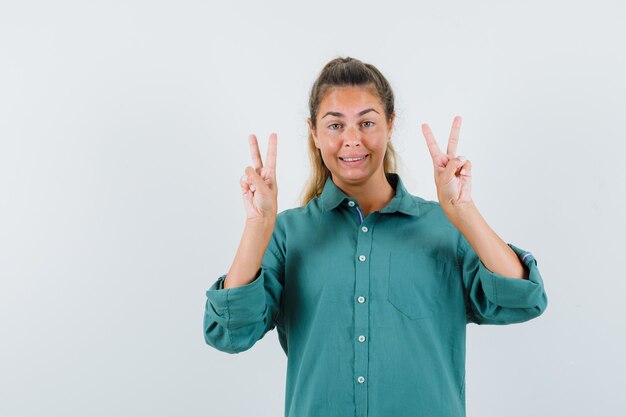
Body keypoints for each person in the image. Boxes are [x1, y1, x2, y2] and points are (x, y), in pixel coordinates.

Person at [203, 57, 548, 417]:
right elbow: (229, 333)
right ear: (314, 133)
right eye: (335, 125)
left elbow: (523, 299)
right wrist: (257, 228)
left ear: (390, 125)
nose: (352, 140)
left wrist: (464, 211)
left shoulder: (445, 227)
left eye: (367, 122)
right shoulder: (288, 234)